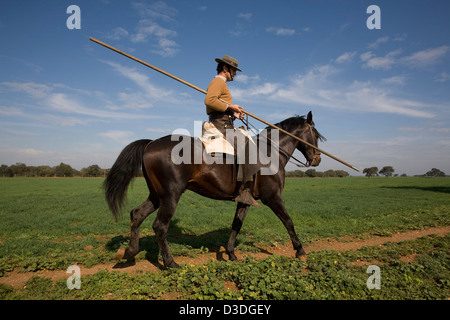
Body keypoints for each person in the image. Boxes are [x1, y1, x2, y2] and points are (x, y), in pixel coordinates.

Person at [204, 55, 261, 207]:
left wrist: (234, 113)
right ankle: (243, 190)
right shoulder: (218, 81)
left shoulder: (222, 84)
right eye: (234, 71)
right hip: (221, 125)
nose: (235, 74)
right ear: (225, 68)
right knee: (249, 148)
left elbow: (217, 105)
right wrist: (231, 107)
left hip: (225, 121)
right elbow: (209, 101)